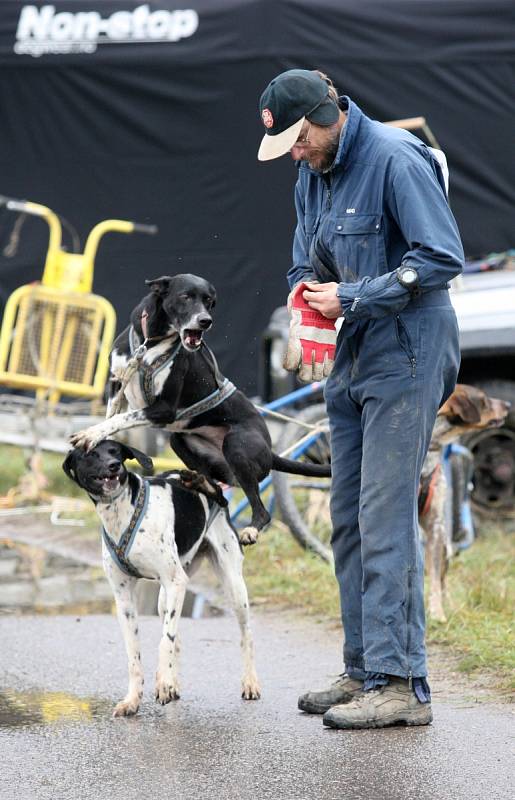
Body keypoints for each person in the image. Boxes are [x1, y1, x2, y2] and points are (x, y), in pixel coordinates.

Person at [257, 69, 463, 729]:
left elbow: (440, 258)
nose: (293, 152)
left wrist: (349, 298)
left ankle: (401, 685)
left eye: (296, 139)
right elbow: (302, 260)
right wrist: (304, 307)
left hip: (406, 347)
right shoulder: (310, 171)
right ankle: (361, 670)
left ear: (327, 115)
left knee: (381, 518)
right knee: (344, 516)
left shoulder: (395, 159)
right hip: (352, 351)